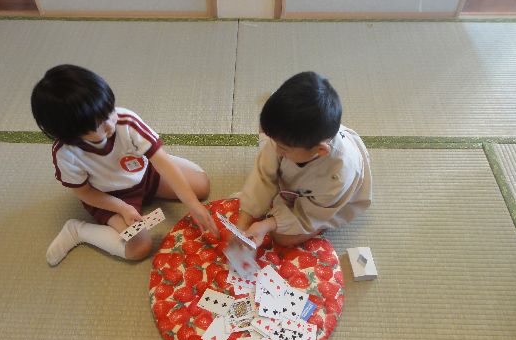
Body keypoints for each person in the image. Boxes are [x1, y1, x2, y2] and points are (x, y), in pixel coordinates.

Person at [31, 64, 218, 266]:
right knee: (140, 247)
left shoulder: (125, 121)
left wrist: (193, 205)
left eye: (108, 111)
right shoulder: (66, 153)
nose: (110, 124)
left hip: (145, 175)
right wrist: (122, 208)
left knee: (201, 186)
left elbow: (163, 164)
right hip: (109, 197)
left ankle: (150, 150)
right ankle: (78, 231)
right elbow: (85, 193)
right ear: (71, 133)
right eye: (98, 125)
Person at [236, 71, 372, 247]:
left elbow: (312, 213)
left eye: (283, 148)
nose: (275, 149)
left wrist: (268, 224)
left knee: (283, 238)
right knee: (270, 134)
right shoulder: (289, 140)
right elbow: (263, 175)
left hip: (328, 203)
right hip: (303, 150)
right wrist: (242, 222)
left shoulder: (339, 174)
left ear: (320, 150)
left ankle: (318, 228)